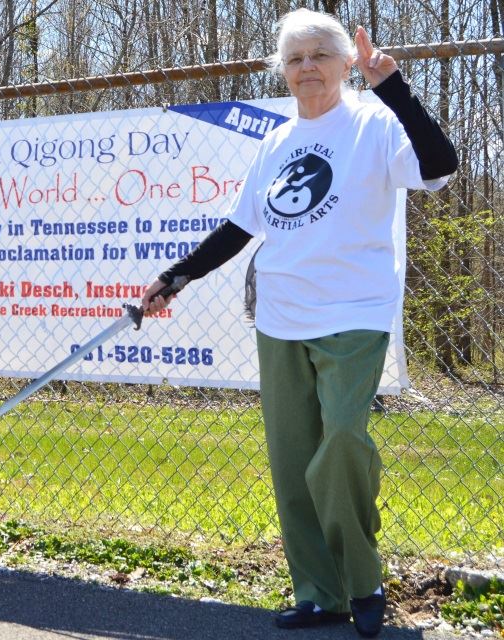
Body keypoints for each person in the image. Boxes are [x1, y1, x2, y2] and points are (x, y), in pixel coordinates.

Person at [139, 9, 456, 638]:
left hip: (353, 315)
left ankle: (362, 579)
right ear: (282, 72)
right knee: (291, 462)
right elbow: (240, 227)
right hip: (281, 316)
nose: (306, 67)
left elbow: (439, 168)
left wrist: (393, 86)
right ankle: (319, 592)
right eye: (294, 58)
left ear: (344, 63)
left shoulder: (374, 121)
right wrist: (177, 275)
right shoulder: (278, 141)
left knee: (341, 440)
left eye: (319, 55)